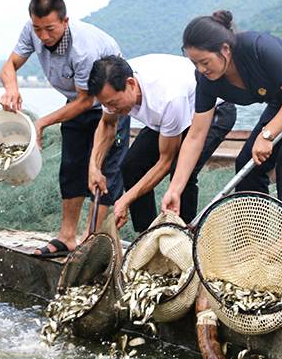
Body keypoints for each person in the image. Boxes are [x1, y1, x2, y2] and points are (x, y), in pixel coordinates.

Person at [163, 10, 282, 215]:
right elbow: (195, 136)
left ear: (225, 49)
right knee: (248, 163)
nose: (201, 69)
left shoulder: (257, 47)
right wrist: (175, 189)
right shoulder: (205, 80)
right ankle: (253, 234)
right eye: (195, 63)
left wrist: (267, 134)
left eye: (205, 62)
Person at [0, 0, 128, 255]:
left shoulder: (84, 49)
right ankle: (66, 237)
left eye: (50, 29)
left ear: (65, 21)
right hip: (75, 101)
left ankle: (90, 241)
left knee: (104, 171)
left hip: (108, 104)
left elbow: (86, 101)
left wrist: (42, 122)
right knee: (71, 167)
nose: (43, 36)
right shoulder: (31, 31)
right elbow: (10, 65)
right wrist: (11, 87)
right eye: (38, 29)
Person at [87, 56, 236, 230]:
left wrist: (125, 200)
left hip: (213, 110)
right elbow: (107, 123)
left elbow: (165, 161)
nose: (111, 110)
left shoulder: (167, 97)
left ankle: (182, 238)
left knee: (181, 172)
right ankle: (147, 237)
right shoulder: (110, 87)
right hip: (171, 116)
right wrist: (94, 167)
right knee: (131, 165)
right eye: (106, 105)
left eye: (113, 103)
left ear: (131, 84)